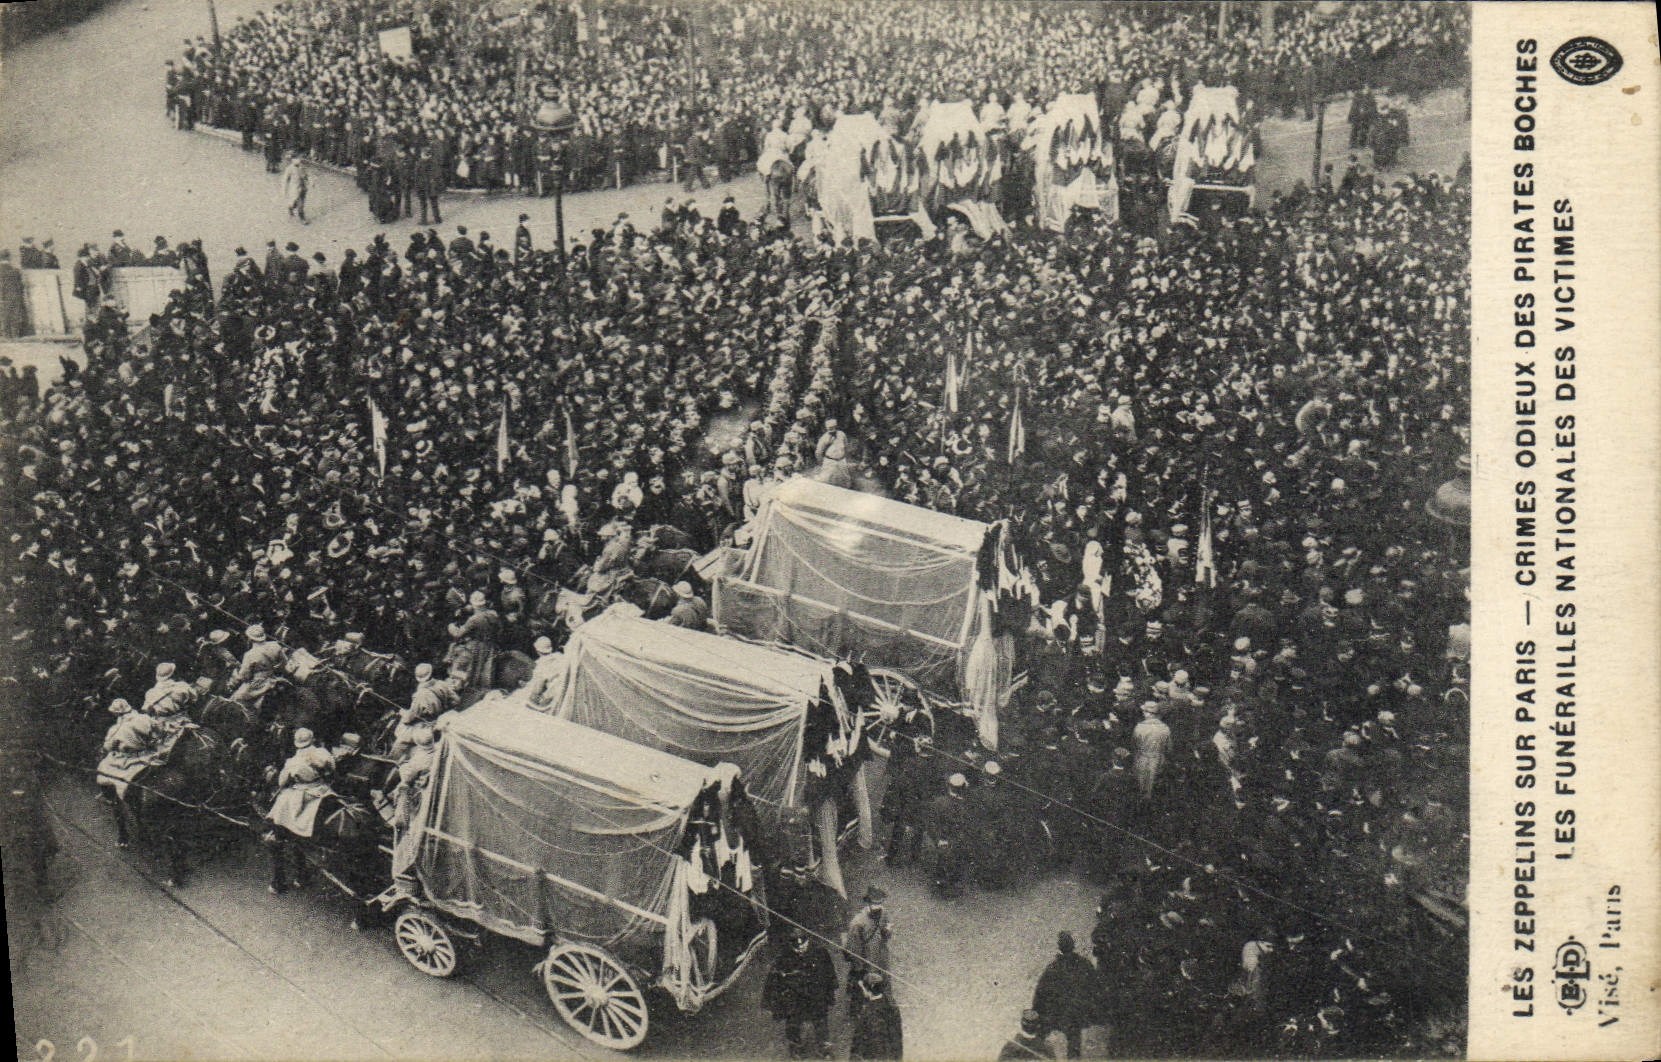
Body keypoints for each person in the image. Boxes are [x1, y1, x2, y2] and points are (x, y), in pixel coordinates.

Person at [264, 728, 337, 893]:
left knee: (281, 805)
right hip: (323, 791)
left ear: (296, 743)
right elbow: (332, 769)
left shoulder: (293, 761)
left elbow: (282, 782)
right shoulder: (323, 752)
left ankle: (278, 880)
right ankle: (301, 875)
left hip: (304, 795)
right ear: (312, 739)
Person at [763, 926, 838, 1059]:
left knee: (820, 1021)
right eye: (796, 946)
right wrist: (774, 1002)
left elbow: (829, 973)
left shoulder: (820, 952)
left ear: (807, 940)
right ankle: (796, 1048)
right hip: (795, 998)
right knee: (793, 1023)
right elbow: (774, 979)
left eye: (803, 944)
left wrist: (830, 992)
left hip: (816, 995)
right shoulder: (783, 956)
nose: (800, 948)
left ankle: (824, 1048)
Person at [1031, 931, 1104, 1059]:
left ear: (1060, 947)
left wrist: (1036, 1012)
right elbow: (1096, 988)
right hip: (1076, 1014)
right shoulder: (1085, 964)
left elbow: (1041, 993)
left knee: (1042, 1035)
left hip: (1057, 1014)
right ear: (1073, 945)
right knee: (1074, 1042)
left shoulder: (1053, 968)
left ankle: (1038, 1054)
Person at [844, 885, 892, 1017]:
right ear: (868, 904)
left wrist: (887, 931)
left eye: (880, 903)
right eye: (875, 904)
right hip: (865, 960)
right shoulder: (858, 922)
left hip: (880, 957)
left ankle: (881, 1006)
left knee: (881, 983)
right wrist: (858, 968)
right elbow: (853, 948)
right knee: (861, 987)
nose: (878, 907)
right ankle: (857, 1012)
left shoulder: (884, 913)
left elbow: (886, 934)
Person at [848, 970, 904, 1060]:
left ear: (870, 988)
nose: (862, 990)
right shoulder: (890, 1004)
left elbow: (871, 1040)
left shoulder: (871, 1011)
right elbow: (897, 1036)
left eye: (863, 987)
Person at [230, 624, 287, 704]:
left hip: (259, 684)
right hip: (275, 677)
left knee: (237, 698)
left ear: (250, 639)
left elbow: (245, 676)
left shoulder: (249, 654)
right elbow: (284, 662)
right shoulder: (275, 645)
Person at [283, 155, 310, 223]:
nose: (298, 160)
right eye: (295, 159)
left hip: (303, 187)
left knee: (301, 203)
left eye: (298, 158)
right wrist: (284, 189)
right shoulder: (289, 169)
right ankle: (291, 208)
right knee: (295, 202)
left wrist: (311, 182)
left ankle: (302, 217)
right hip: (295, 188)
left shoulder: (302, 167)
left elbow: (306, 175)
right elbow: (285, 179)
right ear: (292, 160)